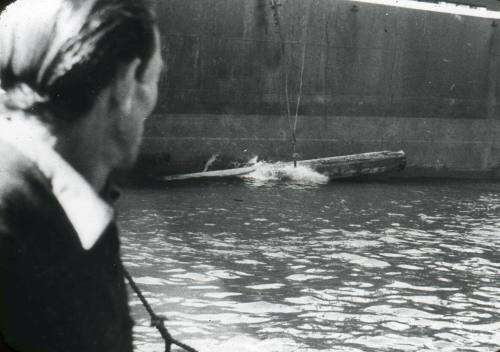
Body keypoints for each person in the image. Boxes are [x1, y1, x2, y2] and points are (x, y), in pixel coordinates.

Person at [0, 0, 163, 351]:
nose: (153, 102)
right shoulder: (27, 234)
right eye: (154, 79)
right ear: (124, 85)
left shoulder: (67, 208)